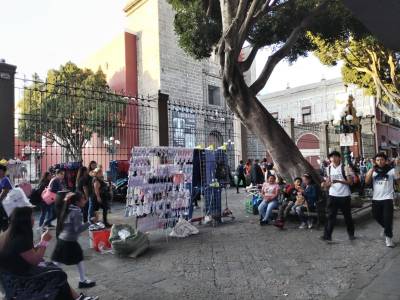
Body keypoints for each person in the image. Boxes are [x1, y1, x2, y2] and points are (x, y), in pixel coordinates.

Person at [0, 206, 98, 300]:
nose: (34, 219)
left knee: (55, 270)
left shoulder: (8, 234)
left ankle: (77, 297)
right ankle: (77, 298)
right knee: (58, 275)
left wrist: (38, 245)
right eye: (32, 216)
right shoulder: (19, 239)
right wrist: (44, 241)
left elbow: (24, 253)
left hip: (13, 277)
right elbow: (35, 260)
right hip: (22, 281)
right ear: (24, 220)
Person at [52, 192, 97, 288]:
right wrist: (90, 222)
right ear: (77, 202)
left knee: (58, 260)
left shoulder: (68, 208)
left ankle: (52, 279)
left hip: (62, 239)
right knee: (78, 259)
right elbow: (78, 229)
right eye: (83, 199)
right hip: (69, 240)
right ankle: (82, 280)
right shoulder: (77, 211)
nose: (85, 200)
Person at [365, 153, 400, 248]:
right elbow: (367, 181)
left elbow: (398, 181)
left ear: (385, 160)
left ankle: (389, 239)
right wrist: (372, 169)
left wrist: (397, 171)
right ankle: (386, 228)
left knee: (387, 218)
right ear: (375, 161)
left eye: (382, 160)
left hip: (388, 198)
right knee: (375, 216)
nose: (380, 162)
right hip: (376, 198)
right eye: (378, 160)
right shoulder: (373, 171)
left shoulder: (391, 170)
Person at [321, 151, 355, 242]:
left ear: (340, 158)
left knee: (347, 216)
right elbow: (328, 182)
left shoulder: (345, 168)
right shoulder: (328, 169)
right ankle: (327, 235)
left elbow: (350, 182)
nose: (333, 159)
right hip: (332, 195)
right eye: (331, 157)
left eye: (336, 156)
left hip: (344, 196)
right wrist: (325, 184)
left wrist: (339, 181)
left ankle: (351, 234)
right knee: (330, 216)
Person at [0, 165, 12, 231]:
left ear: (3, 171)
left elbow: (5, 191)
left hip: (4, 206)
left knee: (4, 224)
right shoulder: (1, 179)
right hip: (2, 205)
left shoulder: (5, 179)